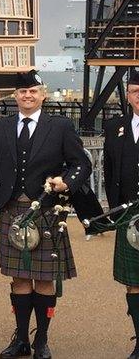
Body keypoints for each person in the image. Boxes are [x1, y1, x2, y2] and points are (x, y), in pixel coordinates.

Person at [0, 69, 90, 359]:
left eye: (33, 91)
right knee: (19, 278)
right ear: (15, 95)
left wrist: (66, 181)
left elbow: (81, 163)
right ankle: (21, 339)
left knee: (43, 279)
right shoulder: (0, 127)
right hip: (11, 209)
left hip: (45, 210)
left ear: (42, 95)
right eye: (22, 92)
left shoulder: (60, 126)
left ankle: (41, 340)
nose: (27, 96)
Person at [102, 68, 139, 359]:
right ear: (128, 95)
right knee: (134, 281)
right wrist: (114, 212)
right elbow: (109, 170)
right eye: (136, 91)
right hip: (128, 214)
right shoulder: (115, 127)